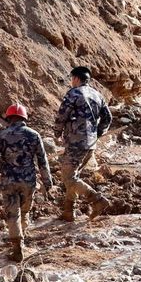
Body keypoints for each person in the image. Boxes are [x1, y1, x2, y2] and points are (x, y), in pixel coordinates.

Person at [0, 103, 52, 262]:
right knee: (25, 211)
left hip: (9, 181)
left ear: (9, 118)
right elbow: (42, 160)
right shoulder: (34, 135)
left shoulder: (2, 135)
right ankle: (22, 235)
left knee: (12, 214)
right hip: (28, 181)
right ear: (24, 118)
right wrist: (47, 181)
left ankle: (17, 248)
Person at [54, 65, 112, 222]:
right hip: (90, 144)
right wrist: (98, 133)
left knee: (68, 178)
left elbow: (62, 115)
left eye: (72, 78)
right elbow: (108, 118)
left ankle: (97, 200)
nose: (71, 82)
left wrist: (57, 133)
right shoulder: (97, 95)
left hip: (75, 142)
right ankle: (68, 211)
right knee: (74, 175)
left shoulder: (73, 94)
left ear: (76, 78)